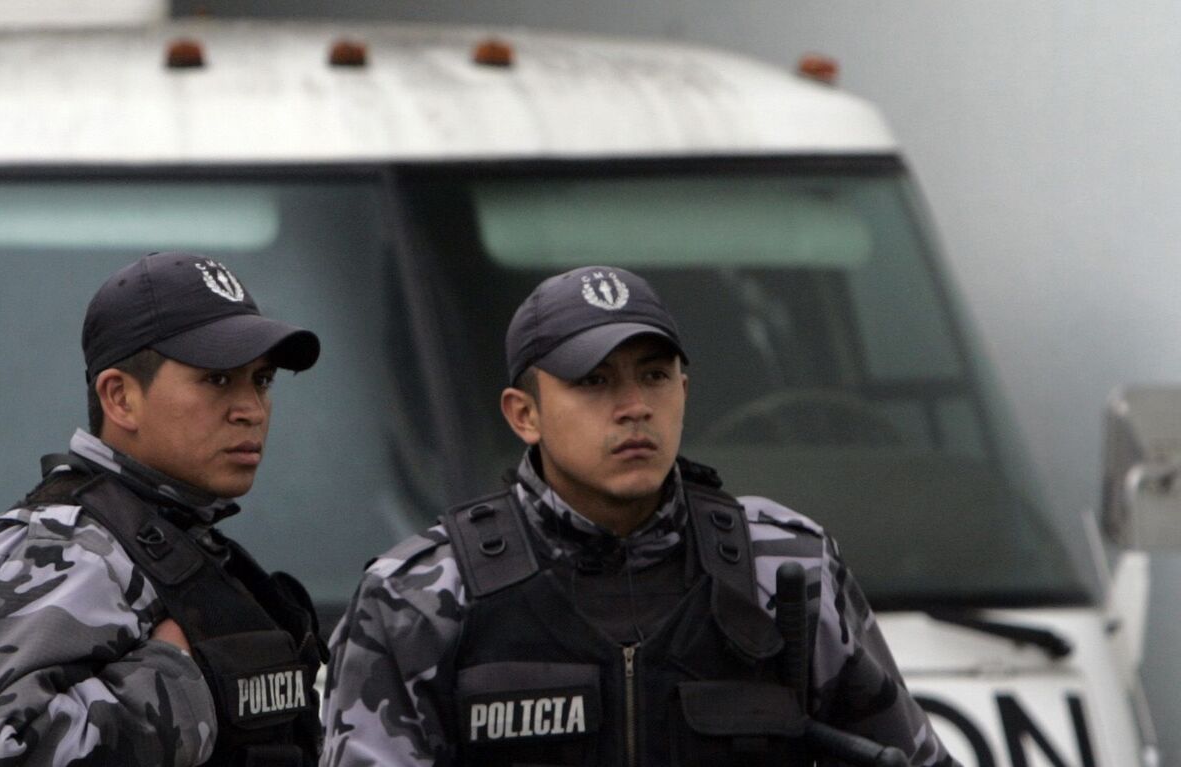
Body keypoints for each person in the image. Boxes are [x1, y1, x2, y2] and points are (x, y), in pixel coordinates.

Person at [320, 266, 955, 766]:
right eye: (594, 382)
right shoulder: (419, 598)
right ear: (524, 414)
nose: (633, 407)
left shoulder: (787, 568)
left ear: (684, 389)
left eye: (654, 375)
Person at [0, 252, 328, 766]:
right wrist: (175, 682)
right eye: (218, 380)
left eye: (262, 380)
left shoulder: (180, 543)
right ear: (120, 398)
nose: (250, 409)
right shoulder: (56, 549)